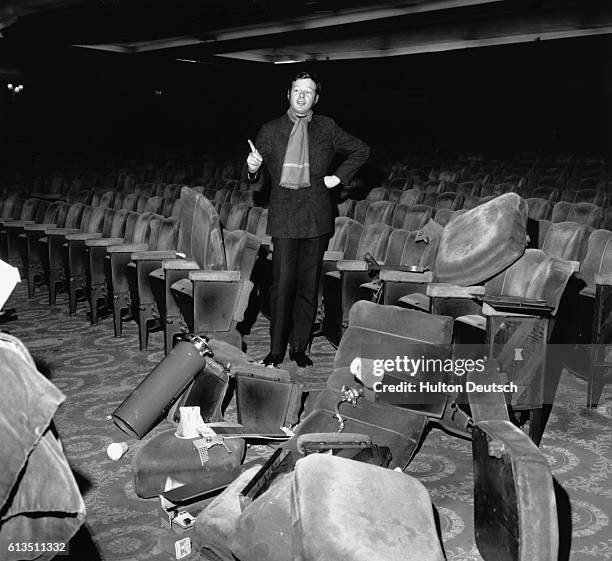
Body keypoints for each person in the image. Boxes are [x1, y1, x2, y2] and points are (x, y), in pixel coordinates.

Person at [246, 71, 370, 367]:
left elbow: (361, 150)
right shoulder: (270, 130)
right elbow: (255, 177)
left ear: (316, 98)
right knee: (282, 285)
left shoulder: (327, 127)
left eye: (308, 92)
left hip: (316, 217)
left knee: (307, 285)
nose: (302, 96)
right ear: (288, 94)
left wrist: (337, 178)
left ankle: (299, 347)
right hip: (285, 217)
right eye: (297, 90)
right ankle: (276, 350)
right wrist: (252, 168)